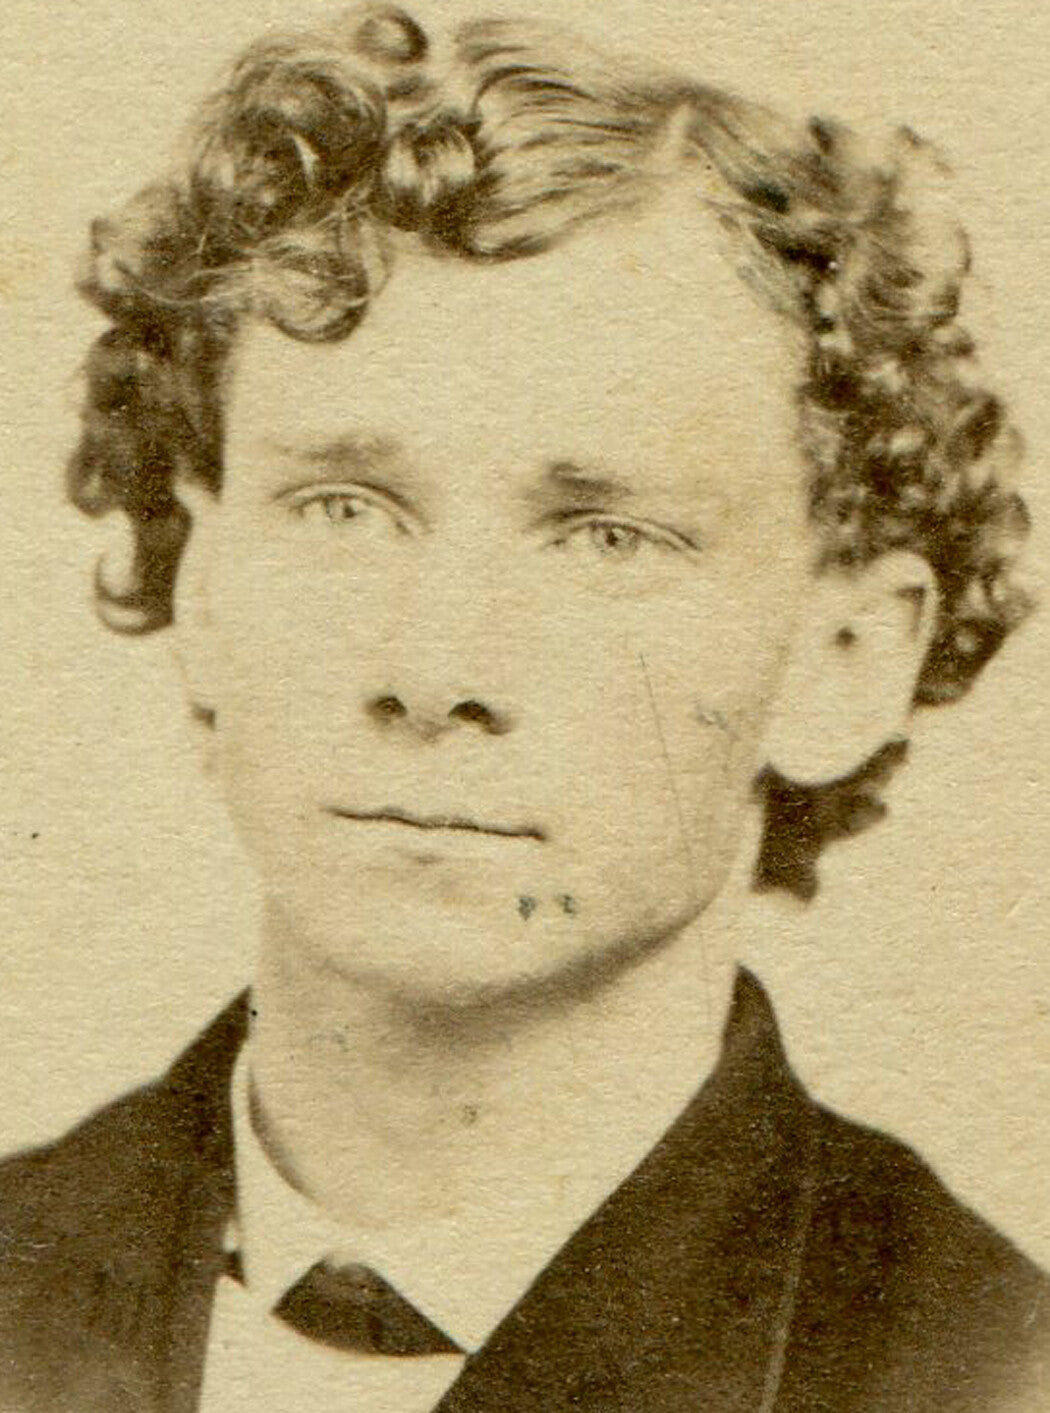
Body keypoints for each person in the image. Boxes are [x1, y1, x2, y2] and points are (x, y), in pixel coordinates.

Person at [0, 5, 1045, 1410]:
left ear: (844, 654)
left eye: (604, 534)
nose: (434, 667)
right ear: (197, 585)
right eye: (344, 508)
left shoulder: (979, 1373)